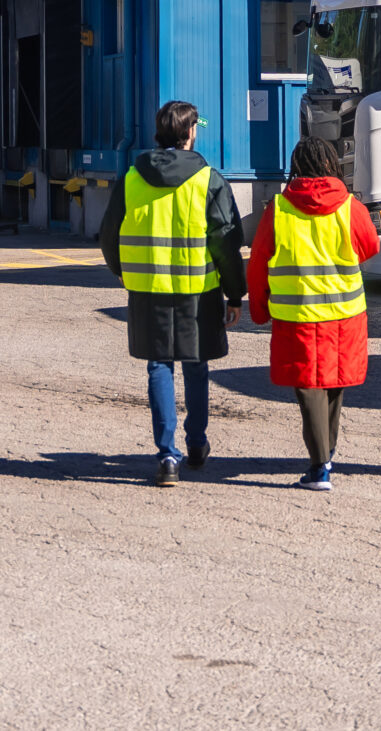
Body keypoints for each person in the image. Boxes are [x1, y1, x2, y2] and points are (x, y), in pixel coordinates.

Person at [97, 99, 245, 486]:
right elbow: (226, 243)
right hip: (198, 291)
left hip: (149, 290)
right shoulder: (208, 180)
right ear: (190, 132)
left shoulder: (132, 178)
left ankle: (167, 456)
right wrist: (234, 294)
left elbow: (109, 234)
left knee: (159, 366)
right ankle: (196, 444)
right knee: (196, 366)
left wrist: (122, 271)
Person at [247, 136, 380, 491]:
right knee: (333, 384)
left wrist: (258, 309)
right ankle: (326, 455)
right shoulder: (350, 207)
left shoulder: (278, 210)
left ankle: (320, 465)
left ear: (297, 167)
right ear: (331, 164)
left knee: (308, 388)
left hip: (298, 316)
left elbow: (258, 263)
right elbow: (369, 247)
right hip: (344, 315)